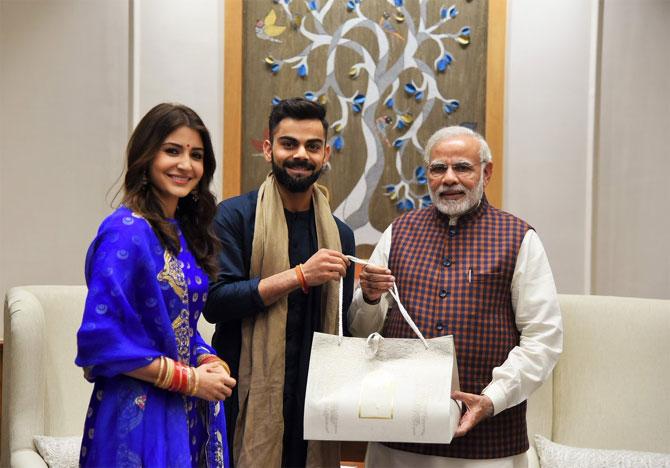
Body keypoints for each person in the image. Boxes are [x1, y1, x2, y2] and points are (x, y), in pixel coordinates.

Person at [348, 126, 563, 467]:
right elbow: (363, 333)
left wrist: (491, 399)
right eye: (438, 169)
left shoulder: (518, 237)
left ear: (486, 172)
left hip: (488, 445)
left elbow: (544, 339)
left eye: (462, 167)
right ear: (427, 175)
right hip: (398, 440)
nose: (449, 178)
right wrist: (370, 298)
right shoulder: (398, 233)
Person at [75, 103, 237, 467]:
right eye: (172, 151)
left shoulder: (184, 233)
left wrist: (207, 360)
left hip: (183, 410)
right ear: (146, 156)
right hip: (136, 413)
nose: (185, 164)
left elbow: (178, 327)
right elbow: (101, 339)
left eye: (196, 155)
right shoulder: (124, 232)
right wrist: (190, 380)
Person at [203, 98, 355, 467]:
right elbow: (216, 302)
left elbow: (341, 328)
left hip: (313, 404)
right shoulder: (234, 216)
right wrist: (299, 276)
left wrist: (371, 297)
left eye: (312, 146)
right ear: (269, 149)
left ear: (326, 154)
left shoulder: (340, 235)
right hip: (241, 395)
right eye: (289, 144)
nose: (301, 155)